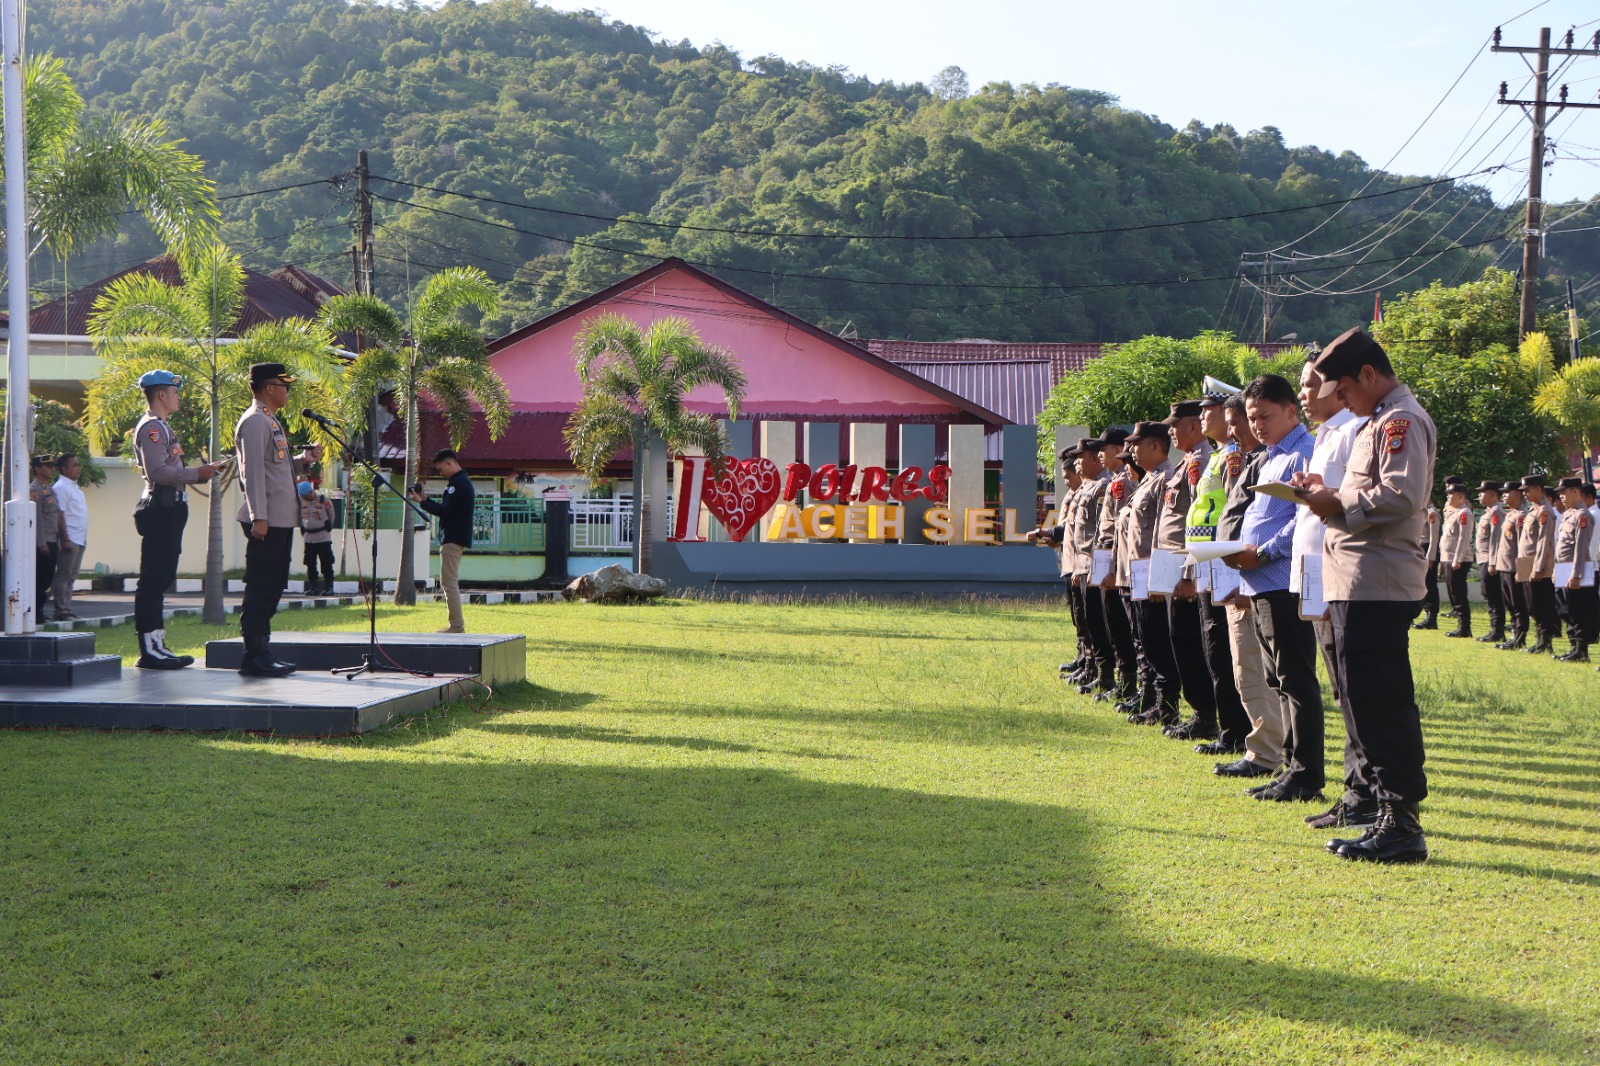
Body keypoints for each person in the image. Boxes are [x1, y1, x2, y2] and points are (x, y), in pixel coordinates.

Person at [1302, 327, 1436, 864]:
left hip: (1377, 583)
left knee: (1380, 704)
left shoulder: (1400, 420)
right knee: (1363, 702)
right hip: (1358, 581)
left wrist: (1337, 502)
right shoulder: (1376, 421)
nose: (1342, 402)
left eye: (1345, 391)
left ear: (1367, 375)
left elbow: (1401, 495)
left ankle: (1402, 824)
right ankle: (1387, 812)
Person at [1227, 374, 1323, 804]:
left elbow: (1305, 517)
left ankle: (1305, 777)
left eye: (1265, 415)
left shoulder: (1305, 452)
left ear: (1291, 410)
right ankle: (1291, 769)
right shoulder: (1269, 457)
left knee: (1297, 680)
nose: (1258, 424)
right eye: (1252, 417)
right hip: (1261, 583)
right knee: (1278, 679)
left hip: (1285, 582)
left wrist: (1262, 553)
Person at [1292, 359, 1376, 831]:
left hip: (1338, 569)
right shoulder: (1326, 434)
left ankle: (1362, 792)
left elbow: (1353, 500)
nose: (1304, 393)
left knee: (1350, 687)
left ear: (1336, 386)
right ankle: (1355, 790)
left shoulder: (1352, 431)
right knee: (1338, 682)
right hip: (1314, 569)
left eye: (1310, 384)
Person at [1211, 394, 1284, 779]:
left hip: (1257, 575)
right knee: (1246, 670)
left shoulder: (1272, 460)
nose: (1238, 428)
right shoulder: (1254, 460)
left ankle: (1267, 751)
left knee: (1256, 671)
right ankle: (1266, 747)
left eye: (1240, 420)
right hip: (1238, 573)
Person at [236, 362, 322, 677]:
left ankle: (262, 650)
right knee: (262, 585)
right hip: (266, 519)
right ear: (269, 387)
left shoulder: (270, 421)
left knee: (273, 584)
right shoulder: (256, 422)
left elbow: (275, 468)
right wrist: (259, 516)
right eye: (284, 385)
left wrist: (302, 461)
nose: (287, 390)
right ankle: (253, 654)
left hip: (280, 518)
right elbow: (252, 473)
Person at [131, 369, 219, 669]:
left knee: (161, 578)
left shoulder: (163, 427)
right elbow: (157, 472)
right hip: (161, 509)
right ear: (161, 395)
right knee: (153, 580)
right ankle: (149, 648)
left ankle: (157, 643)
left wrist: (199, 473)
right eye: (175, 391)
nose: (178, 396)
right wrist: (197, 473)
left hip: (171, 509)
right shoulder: (152, 428)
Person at [1183, 390, 1250, 754]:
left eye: (1210, 412)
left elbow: (1237, 509)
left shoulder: (1234, 456)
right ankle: (1230, 728)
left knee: (1225, 652)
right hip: (1208, 559)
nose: (1204, 418)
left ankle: (1235, 733)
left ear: (1229, 417)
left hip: (1225, 559)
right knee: (1215, 650)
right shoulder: (1218, 456)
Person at [1121, 422, 1178, 726]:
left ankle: (1167, 703)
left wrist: (1158, 576)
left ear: (1155, 446)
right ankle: (1158, 701)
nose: (1131, 450)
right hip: (1139, 572)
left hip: (1152, 572)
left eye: (1136, 444)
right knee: (1146, 637)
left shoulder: (1166, 478)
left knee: (1157, 639)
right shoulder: (1150, 479)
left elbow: (1162, 533)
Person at [410, 447, 475, 634]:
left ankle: (456, 626)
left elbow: (444, 510)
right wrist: (424, 500)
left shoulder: (458, 483)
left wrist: (422, 503)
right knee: (449, 581)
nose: (441, 473)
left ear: (449, 463)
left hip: (453, 538)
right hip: (454, 537)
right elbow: (447, 507)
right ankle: (456, 625)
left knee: (449, 582)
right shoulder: (460, 482)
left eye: (441, 469)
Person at [1554, 475, 1596, 662]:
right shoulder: (1567, 514)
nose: (1561, 496)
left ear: (1575, 492)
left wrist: (1576, 574)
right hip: (1563, 568)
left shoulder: (1582, 515)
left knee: (1578, 610)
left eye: (1564, 493)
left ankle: (1581, 650)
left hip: (1575, 570)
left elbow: (1580, 548)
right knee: (1565, 609)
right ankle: (1573, 646)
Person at [1517, 474, 1559, 656]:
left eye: (1527, 490)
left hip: (1538, 565)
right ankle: (1539, 639)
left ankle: (1545, 640)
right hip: (1526, 562)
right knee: (1531, 604)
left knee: (1541, 603)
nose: (1525, 493)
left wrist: (1539, 567)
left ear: (1537, 489)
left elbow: (1544, 541)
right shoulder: (1533, 511)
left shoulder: (1544, 512)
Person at [49, 453, 88, 622]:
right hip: (70, 538)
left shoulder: (74, 487)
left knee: (72, 576)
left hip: (80, 537)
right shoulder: (60, 488)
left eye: (79, 465)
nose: (78, 468)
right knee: (64, 575)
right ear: (64, 469)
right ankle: (61, 610)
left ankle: (67, 607)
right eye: (74, 465)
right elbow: (60, 515)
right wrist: (65, 539)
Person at [28, 455, 63, 623]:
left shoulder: (48, 488)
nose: (51, 469)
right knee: (41, 578)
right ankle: (36, 612)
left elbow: (54, 516)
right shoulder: (34, 490)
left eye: (51, 466)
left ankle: (38, 611)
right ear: (38, 469)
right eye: (47, 466)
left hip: (52, 540)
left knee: (47, 578)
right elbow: (38, 519)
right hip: (43, 542)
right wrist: (41, 543)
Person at [1496, 482, 1529, 649]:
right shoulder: (1511, 514)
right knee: (1509, 603)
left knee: (1518, 604)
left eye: (1507, 493)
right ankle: (1513, 634)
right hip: (1505, 565)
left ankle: (1519, 637)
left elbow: (1522, 545)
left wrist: (1521, 571)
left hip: (1514, 567)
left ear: (1517, 494)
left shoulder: (1522, 516)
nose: (1503, 496)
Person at [1439, 483, 1475, 639]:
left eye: (1451, 494)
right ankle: (1461, 626)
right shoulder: (1453, 513)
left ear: (1460, 496)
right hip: (1448, 558)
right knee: (1453, 593)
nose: (1448, 497)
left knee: (1459, 594)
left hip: (1457, 559)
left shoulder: (1465, 513)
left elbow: (1463, 538)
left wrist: (1457, 559)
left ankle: (1464, 628)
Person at [1474, 481, 1507, 645]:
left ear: (1493, 494)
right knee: (1488, 594)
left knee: (1494, 595)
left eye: (1483, 492)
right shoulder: (1488, 512)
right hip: (1484, 558)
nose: (1479, 495)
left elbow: (1495, 540)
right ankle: (1494, 629)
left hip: (1490, 559)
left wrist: (1493, 563)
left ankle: (1498, 630)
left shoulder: (1496, 513)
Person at [298, 479, 336, 595]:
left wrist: (328, 527)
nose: (303, 497)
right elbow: (299, 516)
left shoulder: (324, 501)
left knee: (326, 563)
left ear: (311, 492)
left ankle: (329, 587)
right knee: (310, 563)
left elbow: (332, 516)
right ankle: (314, 587)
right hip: (309, 538)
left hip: (323, 537)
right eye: (301, 495)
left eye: (305, 495)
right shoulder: (301, 502)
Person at [1414, 499, 1440, 629]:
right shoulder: (1421, 511)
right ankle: (1425, 613)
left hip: (1428, 549)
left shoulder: (1432, 513)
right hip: (1420, 548)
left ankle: (1431, 617)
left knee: (1430, 584)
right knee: (1422, 584)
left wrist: (1431, 557)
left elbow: (1434, 538)